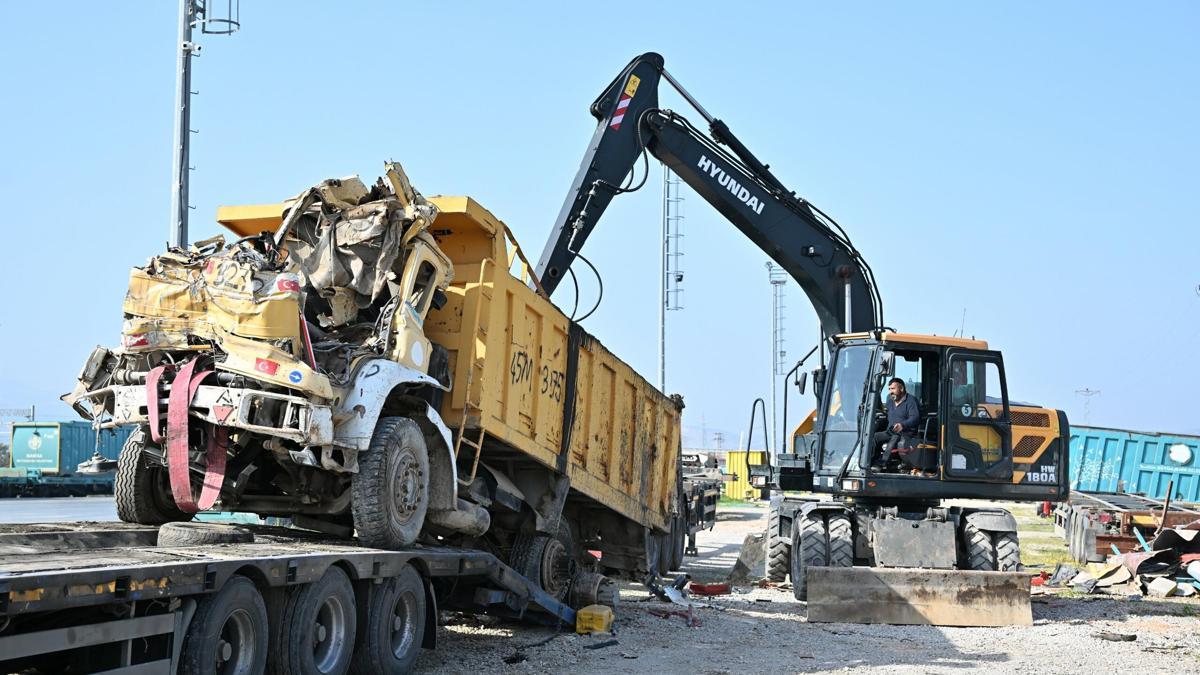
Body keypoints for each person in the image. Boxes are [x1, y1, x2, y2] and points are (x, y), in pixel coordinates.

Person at [872, 378, 920, 468]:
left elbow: (915, 418)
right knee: (874, 437)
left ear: (901, 388)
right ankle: (872, 461)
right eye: (889, 389)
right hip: (891, 431)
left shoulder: (911, 401)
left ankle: (883, 463)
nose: (891, 392)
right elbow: (887, 414)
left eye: (893, 389)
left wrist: (903, 425)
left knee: (895, 437)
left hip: (906, 433)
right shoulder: (890, 401)